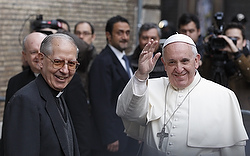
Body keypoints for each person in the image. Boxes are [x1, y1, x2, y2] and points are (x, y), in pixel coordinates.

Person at [116, 34, 248, 156]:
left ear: (196, 61)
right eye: (172, 62)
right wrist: (141, 75)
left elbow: (233, 150)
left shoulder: (223, 97)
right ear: (164, 64)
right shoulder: (148, 87)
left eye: (185, 61)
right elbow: (127, 112)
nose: (179, 69)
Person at [2, 33, 81, 155]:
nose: (65, 70)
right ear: (41, 60)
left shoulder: (57, 94)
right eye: (58, 62)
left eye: (71, 64)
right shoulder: (25, 101)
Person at [89, 15, 140, 156]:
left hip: (128, 134)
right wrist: (109, 136)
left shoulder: (126, 59)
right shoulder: (102, 62)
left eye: (127, 32)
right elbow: (101, 102)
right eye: (120, 32)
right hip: (113, 139)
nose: (124, 37)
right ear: (108, 35)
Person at [201, 22, 250, 110]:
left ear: (244, 42)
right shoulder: (216, 59)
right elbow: (203, 79)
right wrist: (208, 53)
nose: (231, 42)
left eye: (236, 39)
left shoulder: (247, 60)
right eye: (228, 39)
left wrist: (237, 54)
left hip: (244, 113)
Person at [5, 32, 47, 104]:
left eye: (42, 51)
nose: (39, 56)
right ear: (25, 56)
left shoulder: (63, 79)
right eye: (34, 52)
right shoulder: (15, 83)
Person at [74, 21, 97, 95]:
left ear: (93, 37)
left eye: (86, 33)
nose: (81, 36)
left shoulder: (97, 59)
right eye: (78, 33)